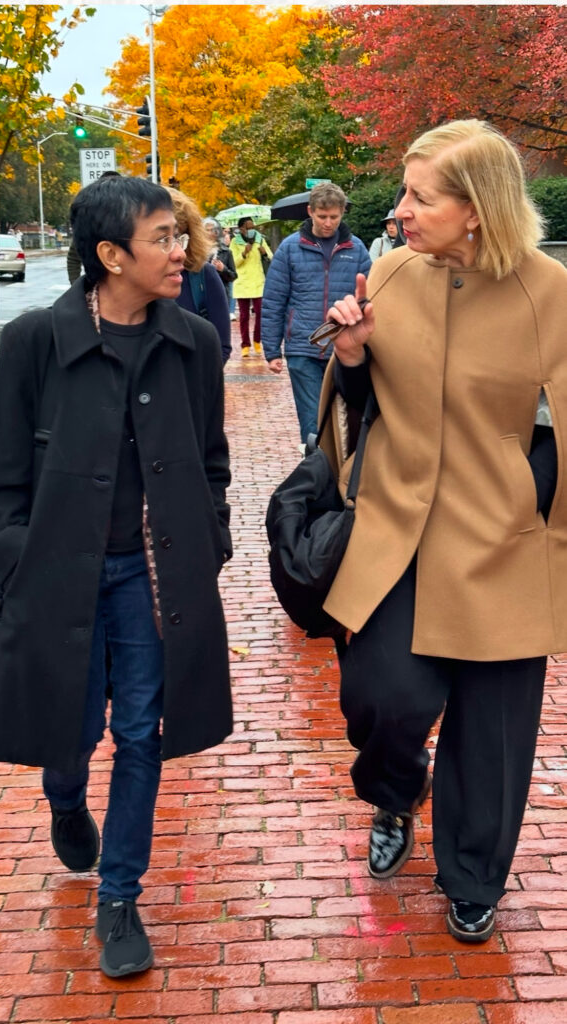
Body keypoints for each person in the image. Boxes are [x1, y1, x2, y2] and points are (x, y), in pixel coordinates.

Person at [0, 175, 233, 977]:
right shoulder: (34, 344)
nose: (180, 251)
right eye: (161, 238)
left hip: (156, 580)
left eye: (178, 235)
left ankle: (118, 895)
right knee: (72, 728)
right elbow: (1, 482)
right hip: (61, 578)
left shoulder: (192, 339)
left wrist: (207, 539)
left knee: (141, 733)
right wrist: (22, 552)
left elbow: (211, 462)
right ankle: (63, 797)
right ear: (110, 255)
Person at [318, 119, 567, 944]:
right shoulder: (388, 272)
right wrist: (350, 356)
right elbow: (353, 407)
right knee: (381, 698)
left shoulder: (548, 290)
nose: (399, 212)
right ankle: (395, 795)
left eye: (420, 197)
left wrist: (535, 513)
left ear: (477, 209)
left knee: (493, 731)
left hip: (499, 538)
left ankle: (472, 874)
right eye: (403, 194)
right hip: (396, 531)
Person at [261, 182, 371, 445]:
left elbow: (369, 295)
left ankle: (340, 474)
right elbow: (274, 299)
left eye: (334, 216)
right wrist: (272, 350)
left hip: (343, 348)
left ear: (342, 212)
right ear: (310, 211)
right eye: (322, 217)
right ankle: (315, 472)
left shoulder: (356, 249)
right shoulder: (289, 248)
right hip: (302, 346)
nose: (328, 223)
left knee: (346, 417)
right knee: (312, 421)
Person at [166, 188, 231, 364]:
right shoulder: (137, 280)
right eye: (163, 239)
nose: (177, 250)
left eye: (180, 238)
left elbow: (221, 346)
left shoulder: (202, 276)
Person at [66, 170, 121, 284]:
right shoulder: (89, 224)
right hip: (99, 287)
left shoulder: (134, 219)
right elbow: (73, 258)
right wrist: (76, 287)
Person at [230, 216, 272, 358]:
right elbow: (233, 263)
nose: (252, 230)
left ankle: (257, 341)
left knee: (260, 313)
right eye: (249, 227)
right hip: (242, 282)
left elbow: (272, 257)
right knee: (244, 316)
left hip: (258, 282)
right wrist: (244, 253)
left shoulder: (260, 239)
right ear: (241, 228)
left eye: (253, 227)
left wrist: (264, 252)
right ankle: (245, 345)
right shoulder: (235, 242)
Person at [203, 216, 237, 324]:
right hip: (202, 294)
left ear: (217, 232)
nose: (209, 233)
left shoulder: (226, 252)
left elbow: (233, 276)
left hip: (220, 293)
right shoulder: (197, 251)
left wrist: (223, 269)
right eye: (206, 230)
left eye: (212, 230)